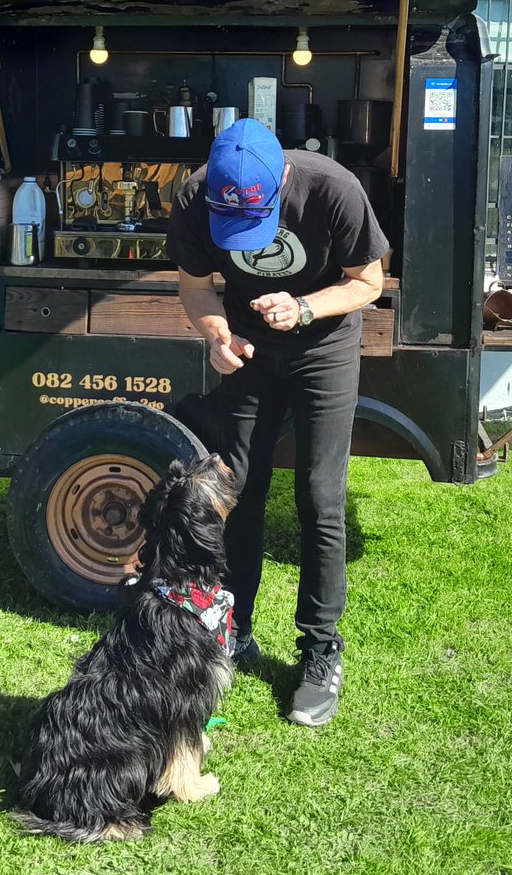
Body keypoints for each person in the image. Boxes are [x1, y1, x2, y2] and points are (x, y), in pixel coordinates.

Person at [166, 118, 387, 727]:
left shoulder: (332, 188)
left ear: (283, 177)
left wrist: (305, 306)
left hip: (325, 346)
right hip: (249, 346)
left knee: (320, 495)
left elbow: (369, 282)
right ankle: (233, 630)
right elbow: (195, 287)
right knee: (237, 491)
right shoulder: (194, 196)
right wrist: (216, 334)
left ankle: (320, 648)